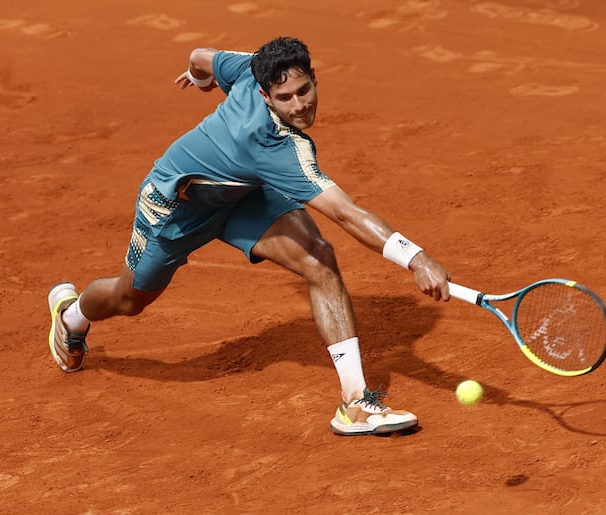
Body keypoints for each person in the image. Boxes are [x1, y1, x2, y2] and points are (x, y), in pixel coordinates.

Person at [48, 36, 451, 436]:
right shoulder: (277, 146)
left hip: (241, 197)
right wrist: (416, 258)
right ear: (265, 94)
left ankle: (355, 402)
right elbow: (346, 213)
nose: (300, 105)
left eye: (304, 90)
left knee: (318, 258)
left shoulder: (251, 65)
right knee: (128, 298)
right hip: (176, 208)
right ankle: (72, 317)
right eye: (285, 97)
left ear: (314, 76)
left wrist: (197, 76)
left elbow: (200, 56)